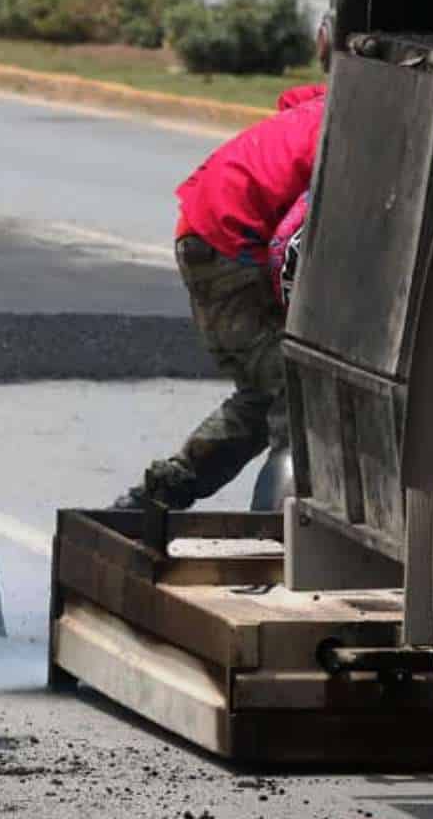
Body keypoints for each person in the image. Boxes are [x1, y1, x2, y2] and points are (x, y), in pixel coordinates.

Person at [114, 83, 327, 511]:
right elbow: (288, 245)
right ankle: (278, 536)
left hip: (208, 228)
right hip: (230, 242)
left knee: (263, 392)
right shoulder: (353, 135)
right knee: (298, 393)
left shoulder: (334, 100)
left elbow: (291, 98)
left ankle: (157, 497)